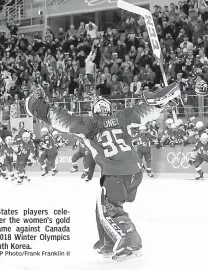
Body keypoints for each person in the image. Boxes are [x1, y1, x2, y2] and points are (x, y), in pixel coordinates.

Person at [25, 83, 181, 261]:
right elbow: (146, 110)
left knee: (109, 209)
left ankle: (131, 241)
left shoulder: (88, 123)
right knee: (100, 205)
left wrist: (38, 107)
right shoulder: (122, 117)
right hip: (135, 173)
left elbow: (62, 119)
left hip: (116, 173)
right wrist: (165, 101)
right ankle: (108, 242)